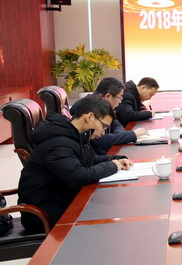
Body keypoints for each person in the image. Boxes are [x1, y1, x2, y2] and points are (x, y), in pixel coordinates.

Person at [18, 95, 133, 233]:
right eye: (103, 126)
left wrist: (116, 159)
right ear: (89, 117)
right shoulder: (57, 143)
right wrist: (113, 166)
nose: (103, 133)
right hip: (45, 214)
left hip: (63, 201)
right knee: (111, 222)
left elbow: (89, 160)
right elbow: (78, 176)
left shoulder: (74, 134)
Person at [90, 77, 147, 155]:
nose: (120, 101)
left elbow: (116, 124)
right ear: (108, 96)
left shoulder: (104, 105)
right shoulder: (91, 108)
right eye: (120, 97)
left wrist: (119, 135)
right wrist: (132, 135)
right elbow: (100, 140)